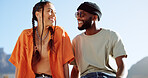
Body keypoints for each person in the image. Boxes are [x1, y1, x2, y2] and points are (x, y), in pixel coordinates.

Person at [9, 1, 74, 78]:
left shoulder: (60, 33)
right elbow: (19, 65)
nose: (54, 15)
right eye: (50, 11)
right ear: (38, 14)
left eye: (55, 13)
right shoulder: (25, 35)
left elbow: (65, 64)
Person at [71, 2, 128, 78]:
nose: (78, 17)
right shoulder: (76, 41)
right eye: (77, 14)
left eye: (82, 14)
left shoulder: (111, 36)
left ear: (94, 18)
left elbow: (121, 66)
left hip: (108, 76)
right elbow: (75, 69)